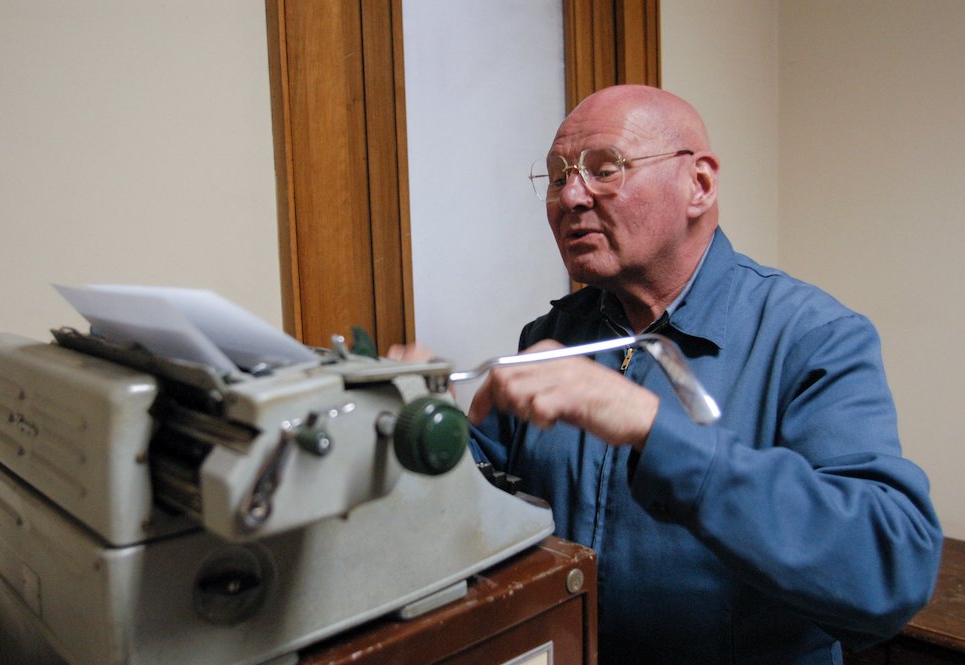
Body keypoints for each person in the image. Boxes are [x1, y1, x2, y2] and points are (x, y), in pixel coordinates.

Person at [391, 84, 942, 664]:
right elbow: (492, 500)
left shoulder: (812, 337)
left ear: (698, 184)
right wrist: (419, 430)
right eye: (557, 177)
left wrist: (653, 429)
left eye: (604, 169)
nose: (571, 196)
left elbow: (890, 572)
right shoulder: (552, 337)